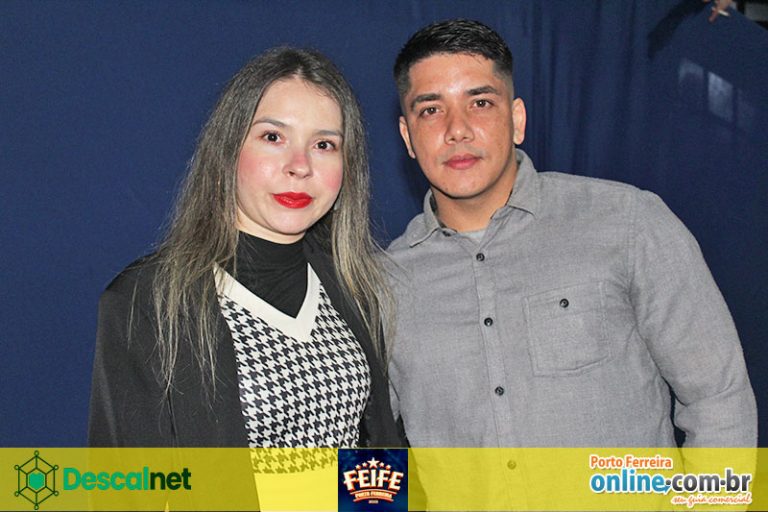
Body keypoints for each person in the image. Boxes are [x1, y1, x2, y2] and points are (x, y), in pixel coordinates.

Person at [386, 19, 756, 450]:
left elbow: (719, 399)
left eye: (481, 102)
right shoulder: (384, 284)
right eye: (431, 110)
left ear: (517, 119)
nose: (457, 129)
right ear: (407, 137)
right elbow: (368, 444)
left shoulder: (627, 223)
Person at [89, 47, 401, 454]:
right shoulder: (147, 301)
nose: (300, 165)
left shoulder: (353, 289)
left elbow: (376, 461)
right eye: (273, 137)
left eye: (324, 144)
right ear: (228, 149)